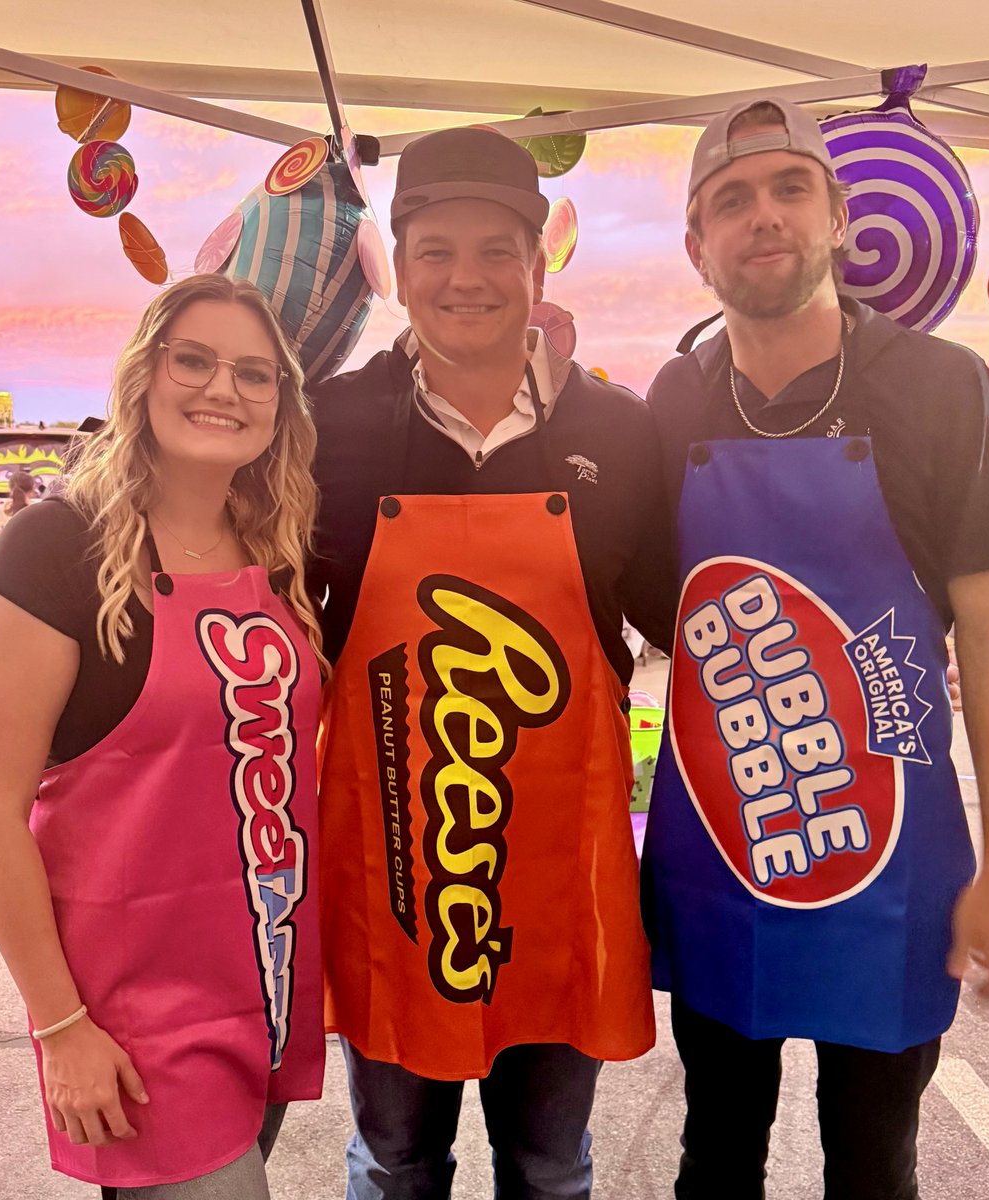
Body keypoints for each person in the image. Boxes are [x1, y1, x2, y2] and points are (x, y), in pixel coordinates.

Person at [640, 97, 989, 1200]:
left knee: (872, 1166)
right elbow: (648, 604)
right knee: (715, 1155)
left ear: (837, 215)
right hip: (727, 840)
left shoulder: (938, 384)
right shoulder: (674, 397)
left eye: (788, 188)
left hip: (891, 853)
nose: (762, 216)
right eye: (730, 200)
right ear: (696, 245)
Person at [309, 126, 675, 1199]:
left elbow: (679, 613)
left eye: (494, 250)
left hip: (561, 878)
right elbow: (269, 613)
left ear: (537, 266)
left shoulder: (618, 429)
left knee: (549, 1168)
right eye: (435, 250)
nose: (464, 277)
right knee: (395, 1163)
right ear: (399, 265)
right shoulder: (329, 426)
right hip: (396, 876)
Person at [0, 274, 328, 1199]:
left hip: (263, 979)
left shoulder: (275, 546)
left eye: (254, 374)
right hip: (134, 1017)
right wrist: (59, 1026)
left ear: (280, 403)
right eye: (192, 360)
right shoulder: (53, 549)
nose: (223, 389)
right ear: (143, 374)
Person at [0, 468, 38, 542]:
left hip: (8, 548)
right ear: (32, 489)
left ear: (10, 488)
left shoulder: (3, 508)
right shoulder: (37, 508)